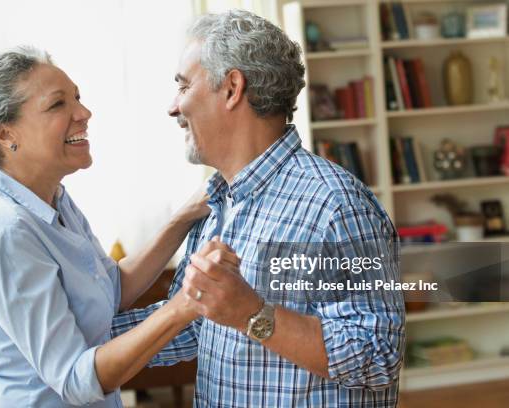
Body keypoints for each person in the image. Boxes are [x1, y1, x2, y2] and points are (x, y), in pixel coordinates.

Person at [112, 9, 406, 407]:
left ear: (232, 88)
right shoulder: (216, 202)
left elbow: (378, 355)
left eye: (183, 86)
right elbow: (195, 321)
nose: (173, 107)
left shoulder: (335, 205)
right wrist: (80, 342)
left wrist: (252, 313)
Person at [0, 46, 239, 407]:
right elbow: (74, 378)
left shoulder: (53, 199)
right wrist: (184, 305)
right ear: (5, 134)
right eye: (58, 105)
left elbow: (111, 289)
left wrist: (185, 216)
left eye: (78, 99)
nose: (84, 113)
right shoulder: (3, 230)